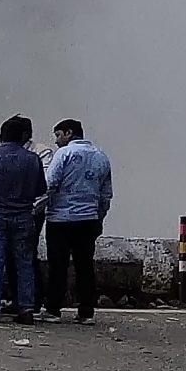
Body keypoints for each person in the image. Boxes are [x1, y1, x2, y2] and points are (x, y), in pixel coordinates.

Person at [0, 115, 48, 323]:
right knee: (24, 262)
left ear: (1, 136)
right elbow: (41, 189)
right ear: (23, 137)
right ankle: (26, 309)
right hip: (24, 215)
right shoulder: (33, 159)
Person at [42, 117, 114, 323]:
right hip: (88, 219)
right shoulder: (101, 157)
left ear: (69, 133)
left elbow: (50, 183)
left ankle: (53, 309)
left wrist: (37, 207)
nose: (56, 141)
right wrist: (99, 216)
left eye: (58, 135)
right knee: (85, 266)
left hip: (60, 219)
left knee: (58, 265)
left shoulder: (64, 153)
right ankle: (86, 312)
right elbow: (106, 194)